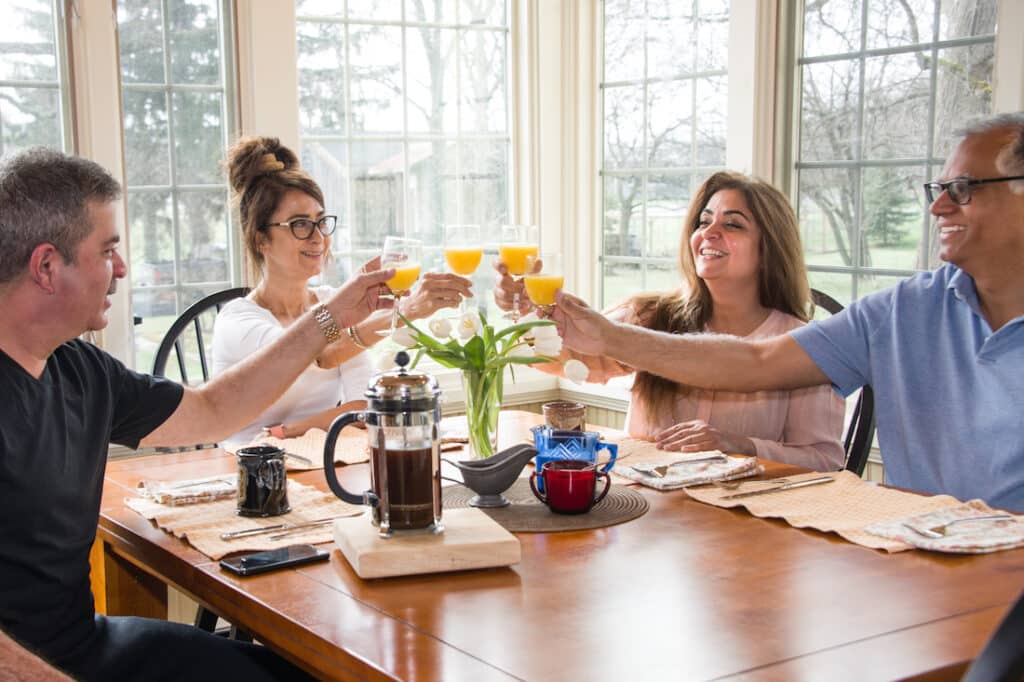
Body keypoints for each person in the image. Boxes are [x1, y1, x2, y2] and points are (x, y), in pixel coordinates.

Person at [0, 147, 395, 680]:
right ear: (47, 266)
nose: (121, 269)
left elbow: (211, 410)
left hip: (85, 646)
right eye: (108, 250)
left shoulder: (81, 368)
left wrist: (330, 317)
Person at [552, 113, 1024, 512]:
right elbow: (755, 363)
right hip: (920, 556)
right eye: (938, 189)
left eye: (961, 188)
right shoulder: (902, 310)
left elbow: (821, 458)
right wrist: (609, 335)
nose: (938, 206)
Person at [494, 173, 844, 470]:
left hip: (741, 530)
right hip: (645, 514)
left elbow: (824, 460)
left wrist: (737, 445)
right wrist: (524, 313)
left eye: (733, 224)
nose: (709, 232)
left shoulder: (799, 345)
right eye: (704, 221)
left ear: (770, 248)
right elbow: (567, 359)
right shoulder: (651, 315)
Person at [213, 137, 473, 446]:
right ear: (261, 241)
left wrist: (288, 432)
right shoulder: (238, 322)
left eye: (321, 222)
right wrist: (405, 313)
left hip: (318, 459)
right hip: (244, 469)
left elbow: (365, 406)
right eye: (299, 225)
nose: (318, 237)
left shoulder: (328, 303)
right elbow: (314, 351)